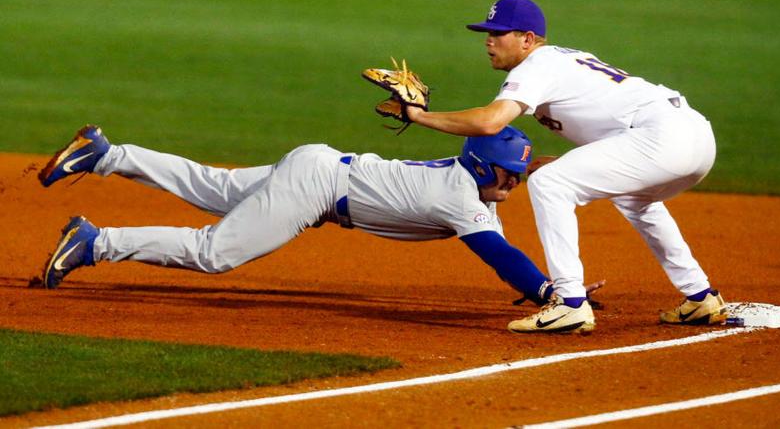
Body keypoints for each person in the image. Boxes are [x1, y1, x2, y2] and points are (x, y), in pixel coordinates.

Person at [38, 124, 602, 328]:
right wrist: (551, 292)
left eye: (519, 176)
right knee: (216, 253)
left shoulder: (470, 182)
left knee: (217, 189)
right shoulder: (463, 197)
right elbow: (499, 255)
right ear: (484, 166)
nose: (514, 184)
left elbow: (500, 242)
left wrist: (546, 291)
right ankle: (95, 242)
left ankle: (107, 154)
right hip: (320, 187)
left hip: (321, 165)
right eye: (508, 174)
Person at [404, 0, 726, 333]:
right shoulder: (562, 60)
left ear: (527, 39)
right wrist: (567, 160)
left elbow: (489, 122)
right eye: (487, 32)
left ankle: (570, 302)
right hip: (693, 137)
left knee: (551, 183)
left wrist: (420, 116)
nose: (489, 40)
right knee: (635, 199)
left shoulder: (536, 66)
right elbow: (612, 121)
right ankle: (700, 296)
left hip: (662, 136)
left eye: (499, 33)